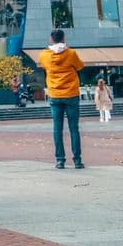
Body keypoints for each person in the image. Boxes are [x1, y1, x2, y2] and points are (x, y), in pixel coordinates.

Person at [38, 29, 85, 169]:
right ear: (64, 38)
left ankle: (60, 160)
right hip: (71, 94)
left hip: (55, 95)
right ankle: (77, 160)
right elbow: (80, 66)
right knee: (74, 128)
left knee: (57, 129)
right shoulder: (71, 53)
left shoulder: (44, 55)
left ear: (51, 39)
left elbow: (44, 66)